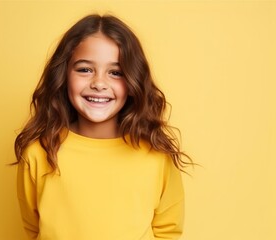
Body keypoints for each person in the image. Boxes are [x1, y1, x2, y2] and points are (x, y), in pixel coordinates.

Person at [15, 14, 192, 240]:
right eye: (85, 69)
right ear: (63, 75)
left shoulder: (156, 155)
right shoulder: (39, 152)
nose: (99, 83)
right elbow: (33, 229)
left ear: (133, 81)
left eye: (115, 72)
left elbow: (168, 230)